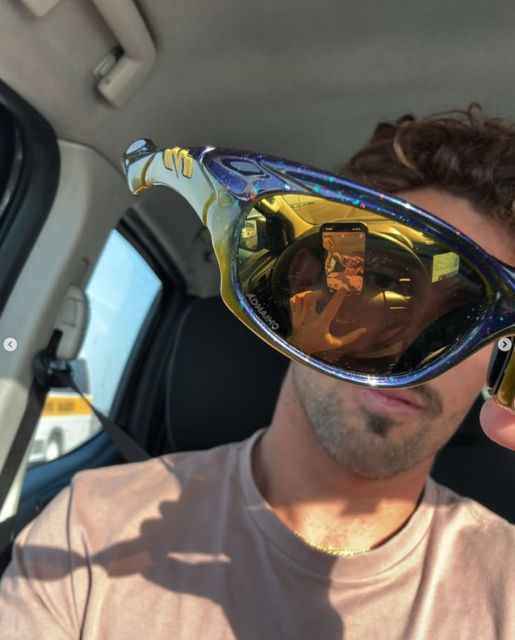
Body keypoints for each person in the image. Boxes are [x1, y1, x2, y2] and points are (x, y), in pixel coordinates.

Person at [1, 106, 515, 639]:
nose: (411, 347)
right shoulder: (91, 529)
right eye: (381, 282)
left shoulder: (506, 587)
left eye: (467, 319)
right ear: (300, 290)